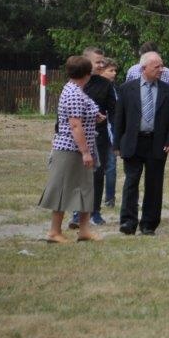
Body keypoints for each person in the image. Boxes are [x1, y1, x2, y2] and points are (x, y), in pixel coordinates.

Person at [113, 52, 169, 235]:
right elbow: (119, 118)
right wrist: (116, 144)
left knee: (154, 184)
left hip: (157, 143)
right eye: (157, 66)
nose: (161, 69)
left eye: (162, 65)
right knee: (131, 182)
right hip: (133, 142)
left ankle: (149, 223)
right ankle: (128, 222)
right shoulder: (127, 89)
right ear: (144, 68)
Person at [39, 55, 102, 243]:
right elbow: (75, 125)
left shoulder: (76, 90)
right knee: (62, 189)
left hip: (80, 149)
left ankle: (84, 231)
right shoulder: (73, 93)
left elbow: (82, 115)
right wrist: (85, 152)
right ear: (87, 74)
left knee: (85, 188)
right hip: (70, 150)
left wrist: (95, 115)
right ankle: (54, 232)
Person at [68, 47, 115, 230]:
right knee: (78, 174)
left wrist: (118, 135)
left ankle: (95, 212)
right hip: (76, 136)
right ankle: (76, 212)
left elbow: (114, 111)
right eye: (98, 62)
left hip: (99, 136)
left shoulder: (105, 85)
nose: (102, 65)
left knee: (97, 174)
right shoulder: (75, 84)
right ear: (86, 62)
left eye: (103, 61)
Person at [101, 57, 120, 208]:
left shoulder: (115, 89)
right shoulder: (97, 87)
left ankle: (110, 198)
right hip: (100, 131)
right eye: (110, 70)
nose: (114, 73)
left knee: (111, 166)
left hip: (112, 132)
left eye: (115, 71)